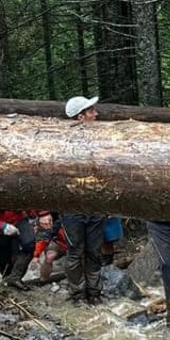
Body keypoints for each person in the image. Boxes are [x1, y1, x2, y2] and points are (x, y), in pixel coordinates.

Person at [60, 95, 108, 304]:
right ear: (80, 117)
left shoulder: (102, 141)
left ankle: (95, 293)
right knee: (75, 250)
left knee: (94, 251)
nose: (96, 114)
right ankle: (78, 293)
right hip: (71, 206)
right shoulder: (62, 144)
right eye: (91, 112)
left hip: (96, 205)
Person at [29, 212, 67, 283]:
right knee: (50, 256)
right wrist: (36, 256)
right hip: (61, 244)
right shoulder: (58, 223)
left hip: (78, 247)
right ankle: (43, 280)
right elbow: (44, 238)